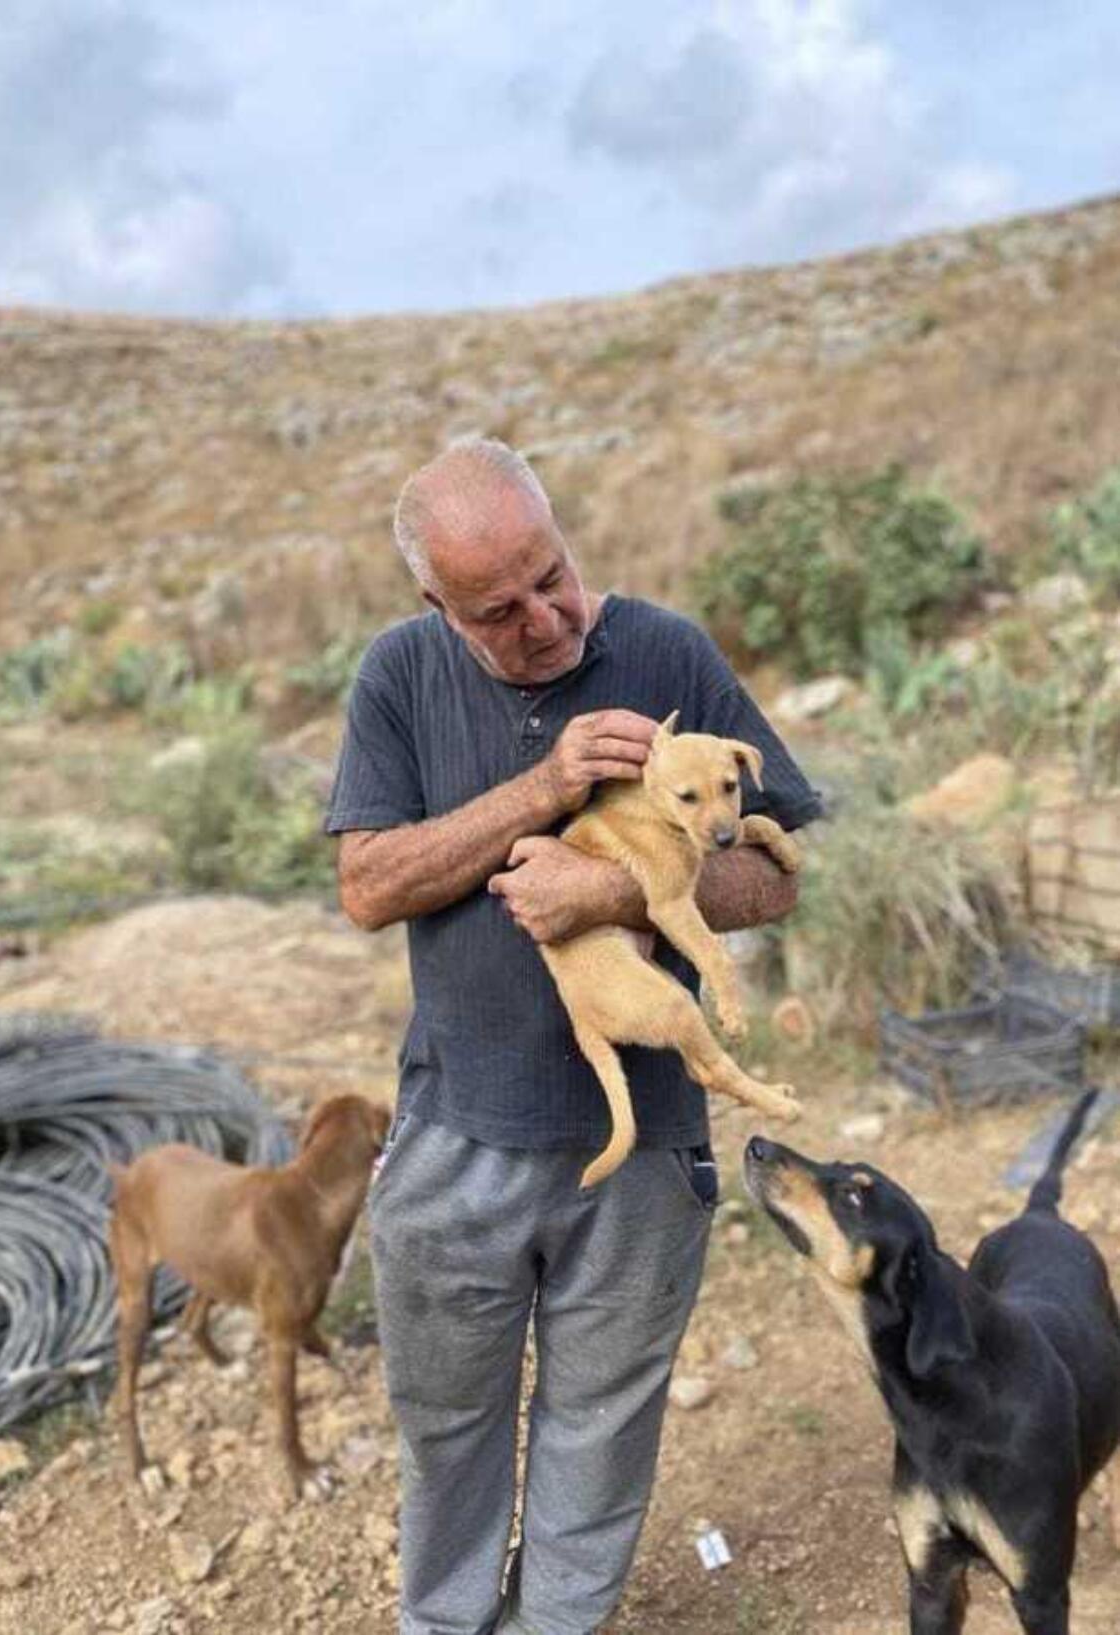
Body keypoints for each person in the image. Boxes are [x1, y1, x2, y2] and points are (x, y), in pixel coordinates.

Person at [326, 437, 822, 1635]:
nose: (544, 619)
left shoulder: (665, 653)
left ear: (559, 531)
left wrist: (611, 893)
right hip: (457, 1134)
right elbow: (369, 885)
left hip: (642, 1142)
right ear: (435, 608)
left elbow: (775, 878)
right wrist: (545, 789)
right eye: (497, 611)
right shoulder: (397, 676)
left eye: (552, 576)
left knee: (599, 1430)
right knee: (447, 1426)